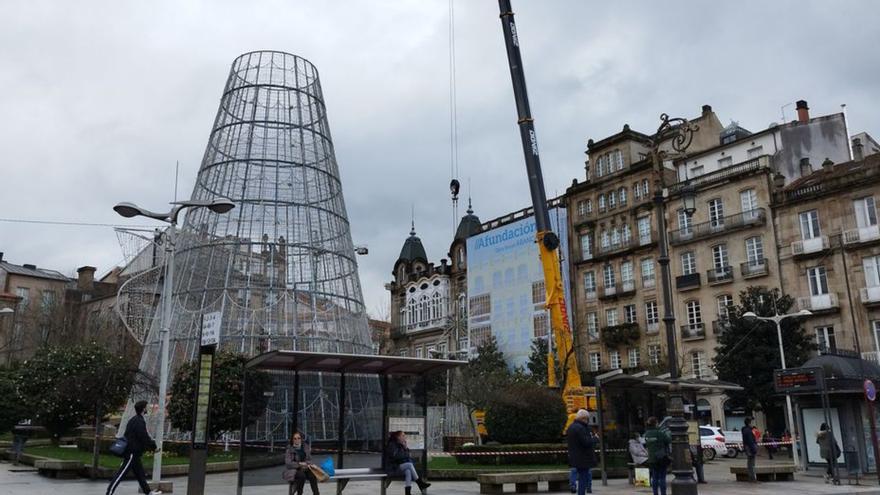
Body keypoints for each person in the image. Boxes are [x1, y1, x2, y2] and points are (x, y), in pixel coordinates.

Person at [106, 400, 161, 495]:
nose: (148, 408)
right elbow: (144, 437)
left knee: (140, 475)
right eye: (147, 407)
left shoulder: (134, 419)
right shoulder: (139, 421)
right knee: (121, 474)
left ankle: (148, 492)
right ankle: (109, 493)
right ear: (143, 409)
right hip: (132, 452)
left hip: (134, 453)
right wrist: (153, 447)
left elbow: (130, 435)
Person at [385, 431, 430, 495]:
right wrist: (405, 452)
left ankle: (408, 493)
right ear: (398, 437)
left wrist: (405, 448)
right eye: (403, 436)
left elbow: (407, 455)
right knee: (409, 465)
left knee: (408, 471)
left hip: (399, 466)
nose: (404, 437)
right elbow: (397, 456)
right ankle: (420, 483)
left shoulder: (401, 444)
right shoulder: (392, 445)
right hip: (392, 467)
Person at [566, 409, 597, 495]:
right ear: (584, 418)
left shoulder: (571, 427)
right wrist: (595, 439)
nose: (587, 421)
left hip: (574, 456)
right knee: (583, 478)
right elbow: (586, 442)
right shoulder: (581, 428)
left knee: (578, 474)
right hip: (583, 458)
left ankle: (576, 488)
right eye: (587, 419)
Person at [644, 416, 671, 495]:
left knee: (655, 477)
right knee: (662, 477)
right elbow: (668, 440)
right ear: (655, 423)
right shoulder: (659, 433)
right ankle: (663, 493)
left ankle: (655, 493)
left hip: (652, 458)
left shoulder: (647, 434)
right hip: (661, 458)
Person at [741, 417, 758, 483]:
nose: (753, 423)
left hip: (747, 448)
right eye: (751, 422)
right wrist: (754, 449)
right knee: (752, 464)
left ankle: (751, 477)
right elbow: (750, 441)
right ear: (749, 423)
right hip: (750, 448)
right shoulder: (748, 431)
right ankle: (752, 478)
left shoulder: (745, 430)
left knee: (750, 463)